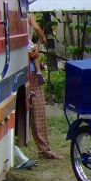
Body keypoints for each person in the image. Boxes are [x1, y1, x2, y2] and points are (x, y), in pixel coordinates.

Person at [24, 14, 62, 160]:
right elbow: (37, 28)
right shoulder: (27, 16)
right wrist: (42, 41)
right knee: (38, 112)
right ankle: (44, 149)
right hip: (29, 74)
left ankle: (44, 149)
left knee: (36, 112)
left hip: (25, 73)